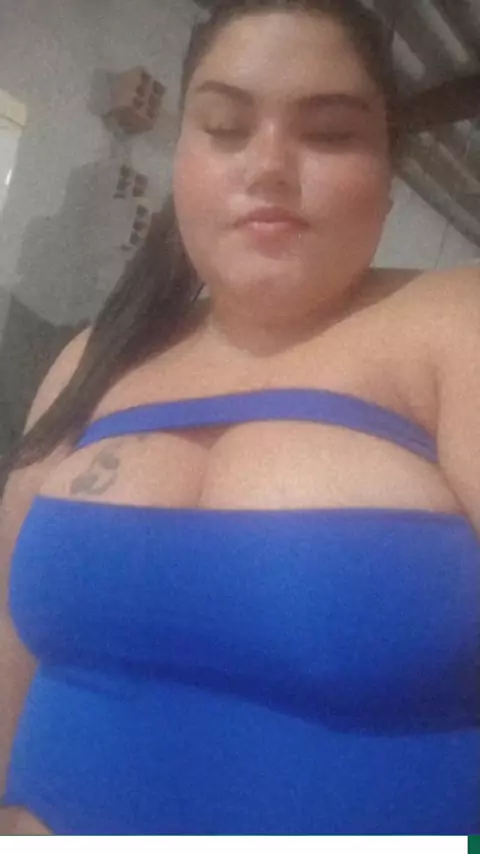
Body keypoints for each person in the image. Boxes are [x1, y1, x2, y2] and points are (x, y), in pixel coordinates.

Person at [0, 0, 479, 836]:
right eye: (225, 128)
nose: (269, 166)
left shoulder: (454, 323)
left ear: (388, 169)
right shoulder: (94, 357)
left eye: (329, 134)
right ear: (182, 154)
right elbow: (9, 636)